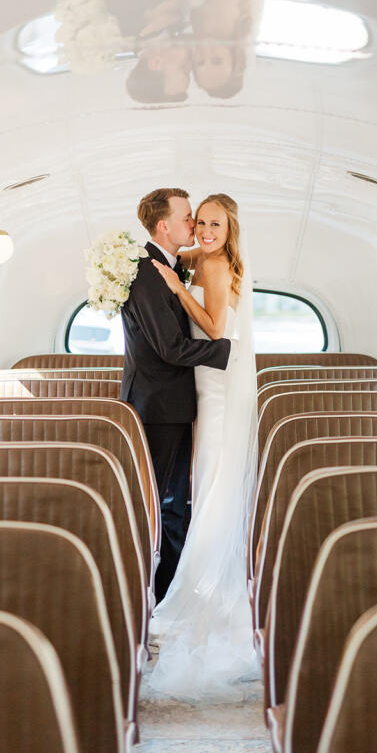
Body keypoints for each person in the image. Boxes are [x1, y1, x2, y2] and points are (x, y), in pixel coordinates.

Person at [148, 193, 259, 700]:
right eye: (200, 222)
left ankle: (207, 595)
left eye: (216, 224)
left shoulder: (214, 267)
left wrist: (177, 288)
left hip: (215, 389)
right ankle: (204, 587)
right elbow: (173, 252)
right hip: (209, 385)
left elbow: (215, 330)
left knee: (211, 482)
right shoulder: (205, 256)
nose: (206, 231)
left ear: (230, 229)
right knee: (208, 480)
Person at [120, 188, 232, 601]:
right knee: (163, 503)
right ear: (164, 225)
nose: (195, 225)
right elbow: (170, 348)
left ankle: (172, 587)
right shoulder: (147, 271)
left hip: (173, 403)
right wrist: (228, 353)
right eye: (188, 217)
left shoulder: (171, 265)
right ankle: (159, 594)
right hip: (158, 407)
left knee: (174, 501)